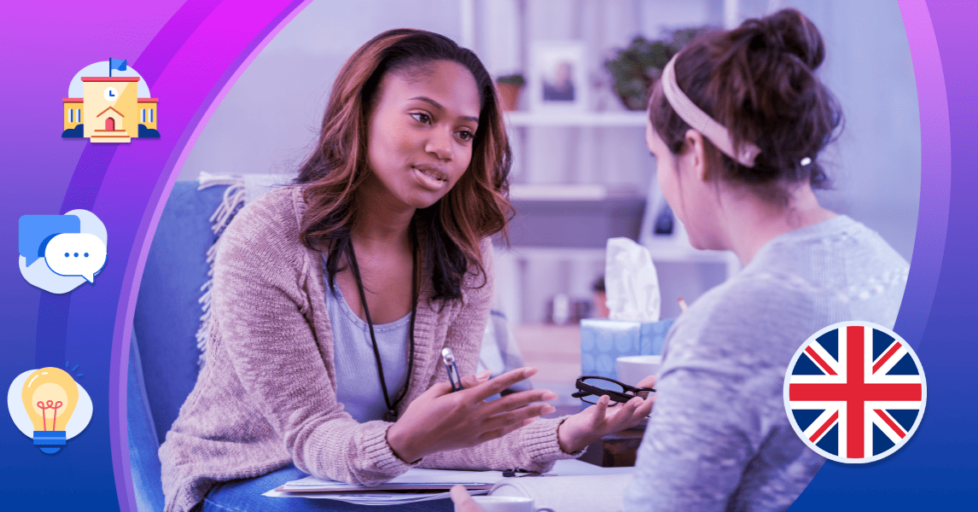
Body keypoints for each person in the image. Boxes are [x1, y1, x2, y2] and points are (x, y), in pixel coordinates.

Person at [159, 29, 653, 512]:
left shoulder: (464, 253)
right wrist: (404, 440)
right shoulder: (269, 238)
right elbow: (311, 434)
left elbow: (439, 437)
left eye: (464, 133)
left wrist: (566, 433)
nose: (446, 148)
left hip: (383, 475)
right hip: (249, 473)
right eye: (422, 117)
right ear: (362, 114)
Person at [453, 7, 909, 512]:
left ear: (694, 151)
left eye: (656, 158)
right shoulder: (892, 270)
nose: (663, 186)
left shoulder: (729, 324)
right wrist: (702, 398)